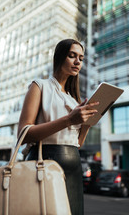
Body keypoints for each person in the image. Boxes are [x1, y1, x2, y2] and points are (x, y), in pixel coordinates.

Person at [18, 38, 98, 215]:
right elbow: (24, 134)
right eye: (72, 56)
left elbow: (77, 143)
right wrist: (69, 120)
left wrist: (87, 123)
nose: (78, 62)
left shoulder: (73, 99)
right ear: (59, 57)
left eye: (81, 58)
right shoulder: (40, 86)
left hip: (74, 166)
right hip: (44, 163)